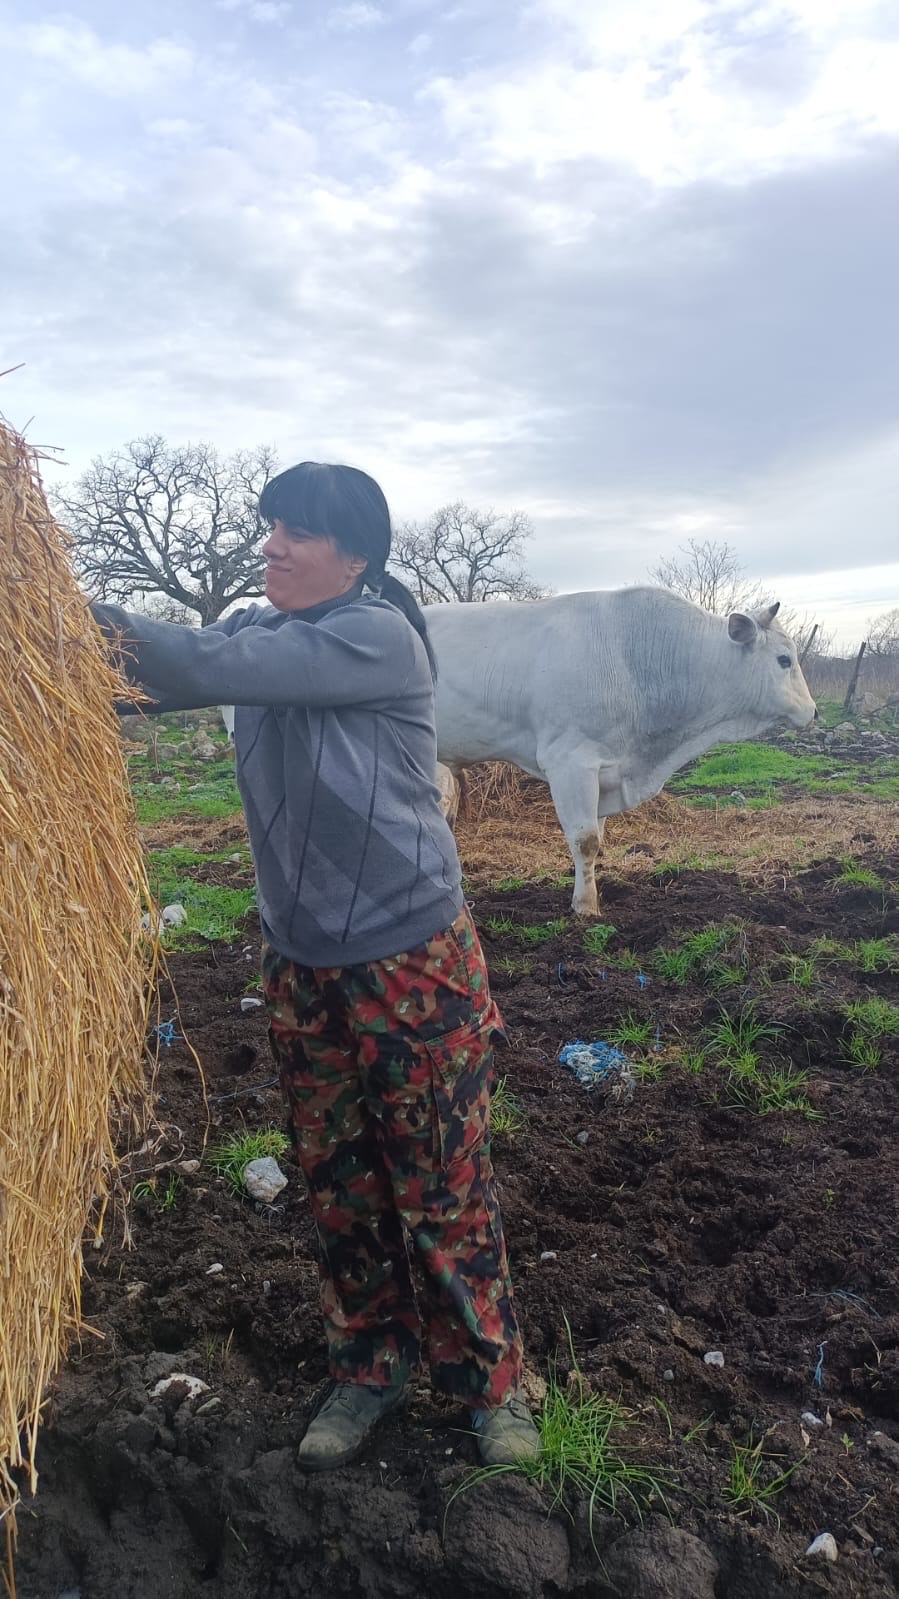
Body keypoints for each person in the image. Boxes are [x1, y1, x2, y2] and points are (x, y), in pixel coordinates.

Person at [91, 461, 540, 1472]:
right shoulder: (266, 637)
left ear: (357, 556)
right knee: (338, 1182)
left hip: (407, 960)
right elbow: (174, 672)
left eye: (294, 533)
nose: (271, 547)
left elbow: (199, 665)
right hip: (302, 965)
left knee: (438, 1181)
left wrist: (49, 596)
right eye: (269, 528)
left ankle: (489, 1385)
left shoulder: (374, 635)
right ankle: (367, 1371)